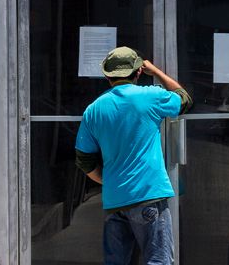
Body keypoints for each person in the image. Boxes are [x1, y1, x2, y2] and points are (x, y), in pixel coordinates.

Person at [75, 47, 192, 265]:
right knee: (158, 260)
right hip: (148, 195)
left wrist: (106, 180)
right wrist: (155, 71)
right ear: (138, 72)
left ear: (107, 75)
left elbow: (84, 159)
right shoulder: (150, 96)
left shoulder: (93, 110)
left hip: (114, 200)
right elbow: (184, 99)